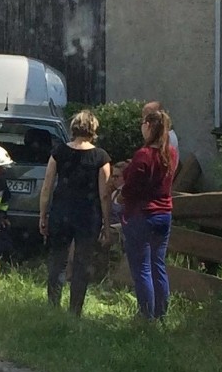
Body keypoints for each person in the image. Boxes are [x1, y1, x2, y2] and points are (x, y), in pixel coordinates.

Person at [39, 110, 111, 317]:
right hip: (88, 216)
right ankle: (75, 311)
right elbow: (104, 194)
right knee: (82, 263)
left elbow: (47, 187)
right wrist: (107, 224)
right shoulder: (101, 157)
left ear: (73, 129)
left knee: (57, 261)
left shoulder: (58, 152)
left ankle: (53, 305)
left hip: (61, 212)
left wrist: (43, 214)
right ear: (93, 130)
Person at [121, 109, 178, 320]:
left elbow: (131, 187)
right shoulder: (170, 153)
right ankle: (161, 313)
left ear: (148, 126)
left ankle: (147, 316)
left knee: (142, 268)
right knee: (158, 265)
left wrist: (121, 196)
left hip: (142, 215)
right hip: (164, 214)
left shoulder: (143, 155)